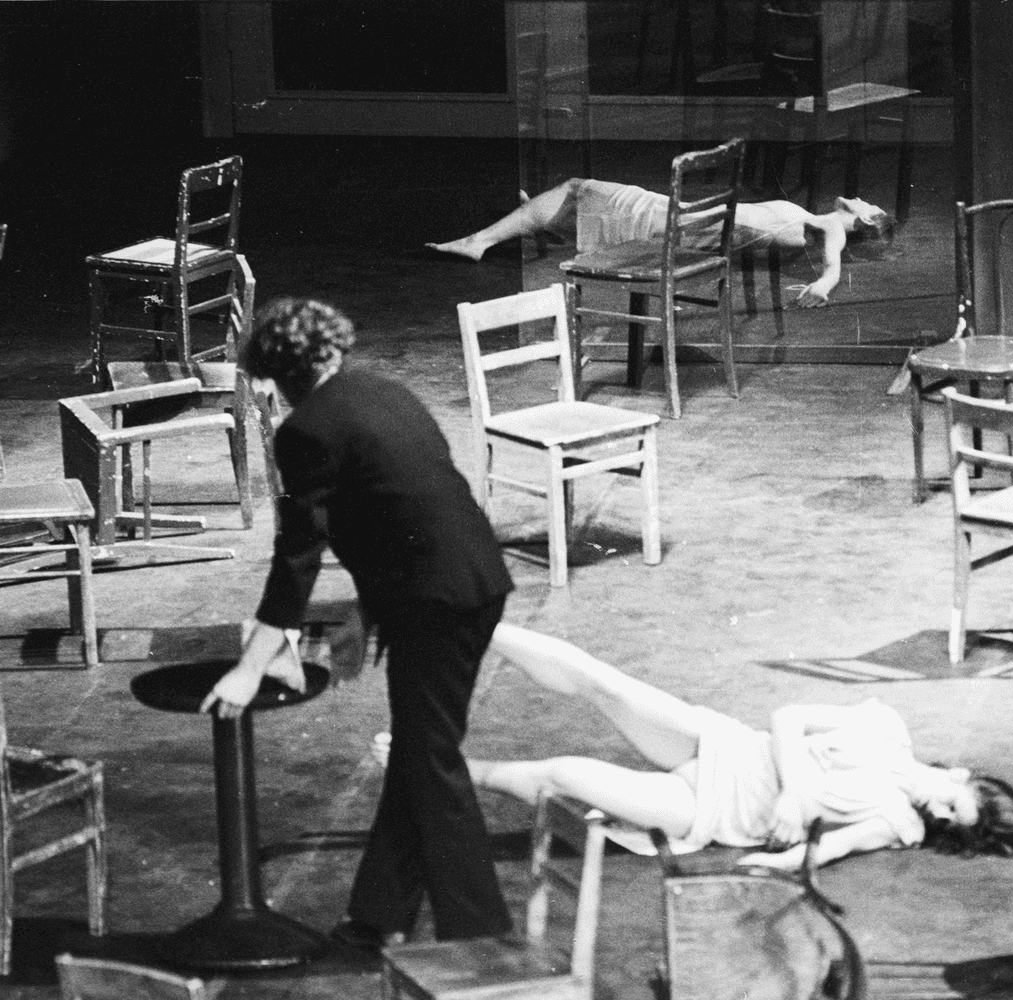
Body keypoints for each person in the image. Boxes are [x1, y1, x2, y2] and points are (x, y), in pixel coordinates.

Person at [200, 298, 515, 950]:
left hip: (438, 600)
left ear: (272, 374)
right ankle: (377, 914)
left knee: (431, 763)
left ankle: (481, 943)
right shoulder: (385, 394)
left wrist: (251, 666)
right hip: (474, 583)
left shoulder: (306, 431)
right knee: (420, 752)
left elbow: (298, 559)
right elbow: (397, 513)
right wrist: (362, 618)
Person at [373, 625, 1013, 870]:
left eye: (947, 824)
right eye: (951, 801)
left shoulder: (897, 822)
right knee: (602, 682)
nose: (935, 812)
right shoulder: (885, 727)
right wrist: (794, 792)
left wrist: (778, 862)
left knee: (564, 773)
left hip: (708, 807)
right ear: (958, 773)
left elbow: (818, 853)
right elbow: (788, 714)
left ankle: (433, 767)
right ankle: (467, 622)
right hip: (726, 745)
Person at [423, 177, 895, 308]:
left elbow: (831, 264)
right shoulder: (814, 220)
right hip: (681, 221)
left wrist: (823, 286)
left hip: (675, 223)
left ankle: (482, 239)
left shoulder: (830, 226)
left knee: (577, 189)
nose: (858, 196)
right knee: (576, 196)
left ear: (865, 218)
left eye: (866, 203)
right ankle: (530, 220)